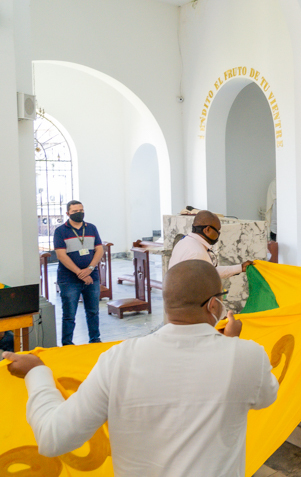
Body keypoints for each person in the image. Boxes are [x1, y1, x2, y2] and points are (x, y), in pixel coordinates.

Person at [3, 260, 280, 477]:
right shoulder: (246, 357)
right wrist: (230, 343)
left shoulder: (119, 359)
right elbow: (267, 395)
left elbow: (54, 437)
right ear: (214, 305)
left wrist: (37, 372)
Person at [53, 200, 105, 346]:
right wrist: (79, 273)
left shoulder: (91, 228)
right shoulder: (60, 231)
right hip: (68, 279)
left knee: (93, 311)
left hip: (91, 276)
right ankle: (67, 344)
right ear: (67, 213)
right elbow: (61, 255)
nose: (79, 213)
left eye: (81, 210)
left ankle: (95, 340)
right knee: (69, 315)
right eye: (75, 211)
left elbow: (99, 249)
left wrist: (89, 269)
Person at [169, 210, 253, 281]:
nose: (218, 234)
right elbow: (207, 278)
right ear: (207, 229)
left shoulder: (186, 241)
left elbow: (210, 271)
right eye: (217, 231)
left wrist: (240, 268)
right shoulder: (196, 252)